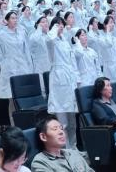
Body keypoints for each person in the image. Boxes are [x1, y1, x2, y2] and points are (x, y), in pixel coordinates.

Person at [45, 16, 79, 148]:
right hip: (59, 82)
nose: (61, 26)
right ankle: (66, 149)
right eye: (58, 24)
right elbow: (49, 39)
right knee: (63, 122)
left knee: (72, 121)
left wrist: (76, 78)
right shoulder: (51, 41)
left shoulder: (64, 41)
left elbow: (72, 60)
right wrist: (54, 28)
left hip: (70, 80)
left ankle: (74, 147)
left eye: (62, 25)